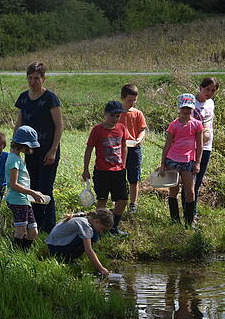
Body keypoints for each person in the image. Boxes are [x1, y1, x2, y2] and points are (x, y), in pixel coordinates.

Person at [14, 61, 63, 233]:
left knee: (45, 188)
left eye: (36, 78)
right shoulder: (23, 98)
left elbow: (59, 126)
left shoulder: (50, 98)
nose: (33, 81)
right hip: (30, 151)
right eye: (30, 78)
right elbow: (19, 124)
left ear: (43, 79)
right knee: (32, 186)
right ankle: (36, 224)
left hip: (48, 150)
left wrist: (53, 150)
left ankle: (49, 227)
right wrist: (15, 148)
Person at [82, 100, 131, 236]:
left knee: (122, 200)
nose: (115, 119)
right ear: (105, 114)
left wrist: (124, 164)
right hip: (102, 171)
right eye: (113, 115)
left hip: (119, 171)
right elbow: (89, 149)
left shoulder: (121, 128)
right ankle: (99, 231)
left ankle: (112, 228)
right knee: (102, 200)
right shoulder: (97, 130)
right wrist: (85, 169)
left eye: (118, 116)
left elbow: (124, 146)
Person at [159, 94, 203, 227]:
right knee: (174, 190)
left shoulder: (197, 124)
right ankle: (175, 220)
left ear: (193, 108)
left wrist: (197, 162)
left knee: (190, 191)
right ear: (179, 108)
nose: (186, 111)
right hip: (173, 160)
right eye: (183, 108)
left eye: (189, 108)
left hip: (188, 161)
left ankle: (189, 222)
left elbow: (199, 145)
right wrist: (162, 163)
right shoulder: (173, 125)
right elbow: (167, 144)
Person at [5, 126, 44, 249]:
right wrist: (32, 192)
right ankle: (14, 255)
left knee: (33, 232)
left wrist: (31, 193)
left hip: (24, 199)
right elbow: (13, 184)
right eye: (30, 146)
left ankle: (23, 252)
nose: (32, 149)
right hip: (17, 200)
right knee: (20, 231)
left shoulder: (17, 158)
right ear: (23, 145)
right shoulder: (13, 160)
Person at [45, 209, 114, 276]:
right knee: (94, 236)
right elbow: (88, 250)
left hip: (53, 244)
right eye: (102, 229)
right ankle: (66, 258)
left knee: (93, 235)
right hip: (56, 249)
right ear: (97, 221)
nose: (101, 232)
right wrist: (101, 268)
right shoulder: (85, 226)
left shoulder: (84, 217)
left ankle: (68, 258)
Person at [186, 77, 219, 214]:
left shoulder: (211, 103)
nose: (209, 92)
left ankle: (193, 214)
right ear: (200, 88)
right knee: (189, 183)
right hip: (191, 147)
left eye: (213, 90)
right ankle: (187, 215)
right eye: (207, 89)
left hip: (206, 147)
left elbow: (210, 123)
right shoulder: (191, 102)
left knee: (198, 182)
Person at [118, 84, 148, 214]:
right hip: (118, 148)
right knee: (118, 176)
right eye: (130, 100)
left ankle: (133, 204)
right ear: (122, 98)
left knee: (134, 177)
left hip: (134, 148)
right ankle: (119, 201)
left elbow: (142, 130)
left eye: (134, 100)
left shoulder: (137, 113)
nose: (132, 102)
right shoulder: (117, 112)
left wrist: (139, 139)